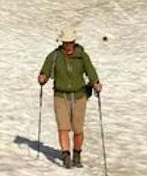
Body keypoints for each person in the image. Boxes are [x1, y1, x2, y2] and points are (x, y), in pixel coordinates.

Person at [38, 29, 101, 168]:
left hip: (79, 96)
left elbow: (90, 71)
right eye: (66, 43)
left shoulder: (82, 56)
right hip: (60, 96)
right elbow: (45, 72)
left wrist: (95, 83)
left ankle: (77, 154)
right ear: (62, 43)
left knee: (78, 130)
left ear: (74, 42)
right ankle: (66, 156)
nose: (69, 46)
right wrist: (42, 78)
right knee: (63, 128)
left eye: (71, 42)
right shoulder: (54, 56)